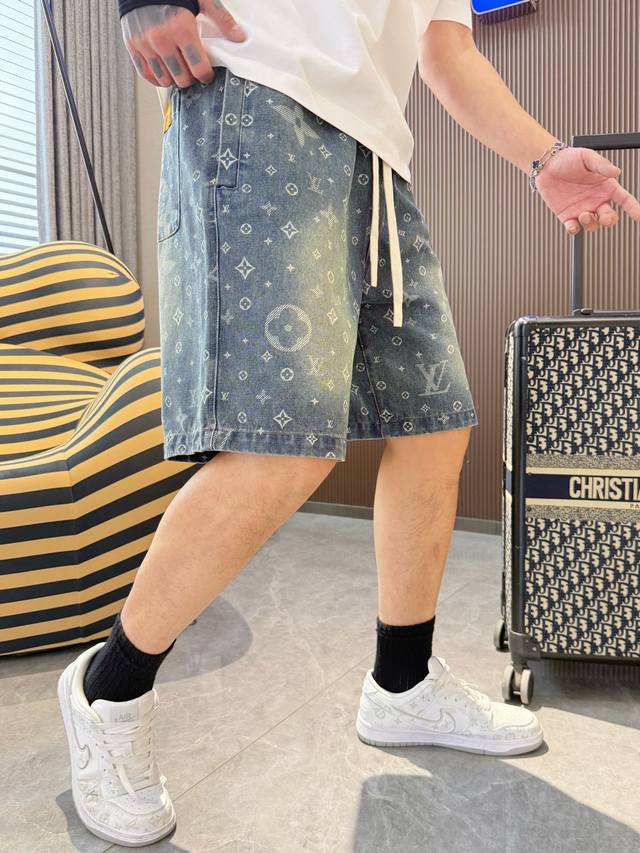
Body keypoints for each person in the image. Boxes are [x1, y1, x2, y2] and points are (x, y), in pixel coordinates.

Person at [57, 0, 640, 846]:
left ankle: (402, 683)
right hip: (257, 102)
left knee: (433, 426)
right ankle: (108, 688)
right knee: (281, 445)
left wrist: (544, 156)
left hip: (376, 158)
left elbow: (445, 51)